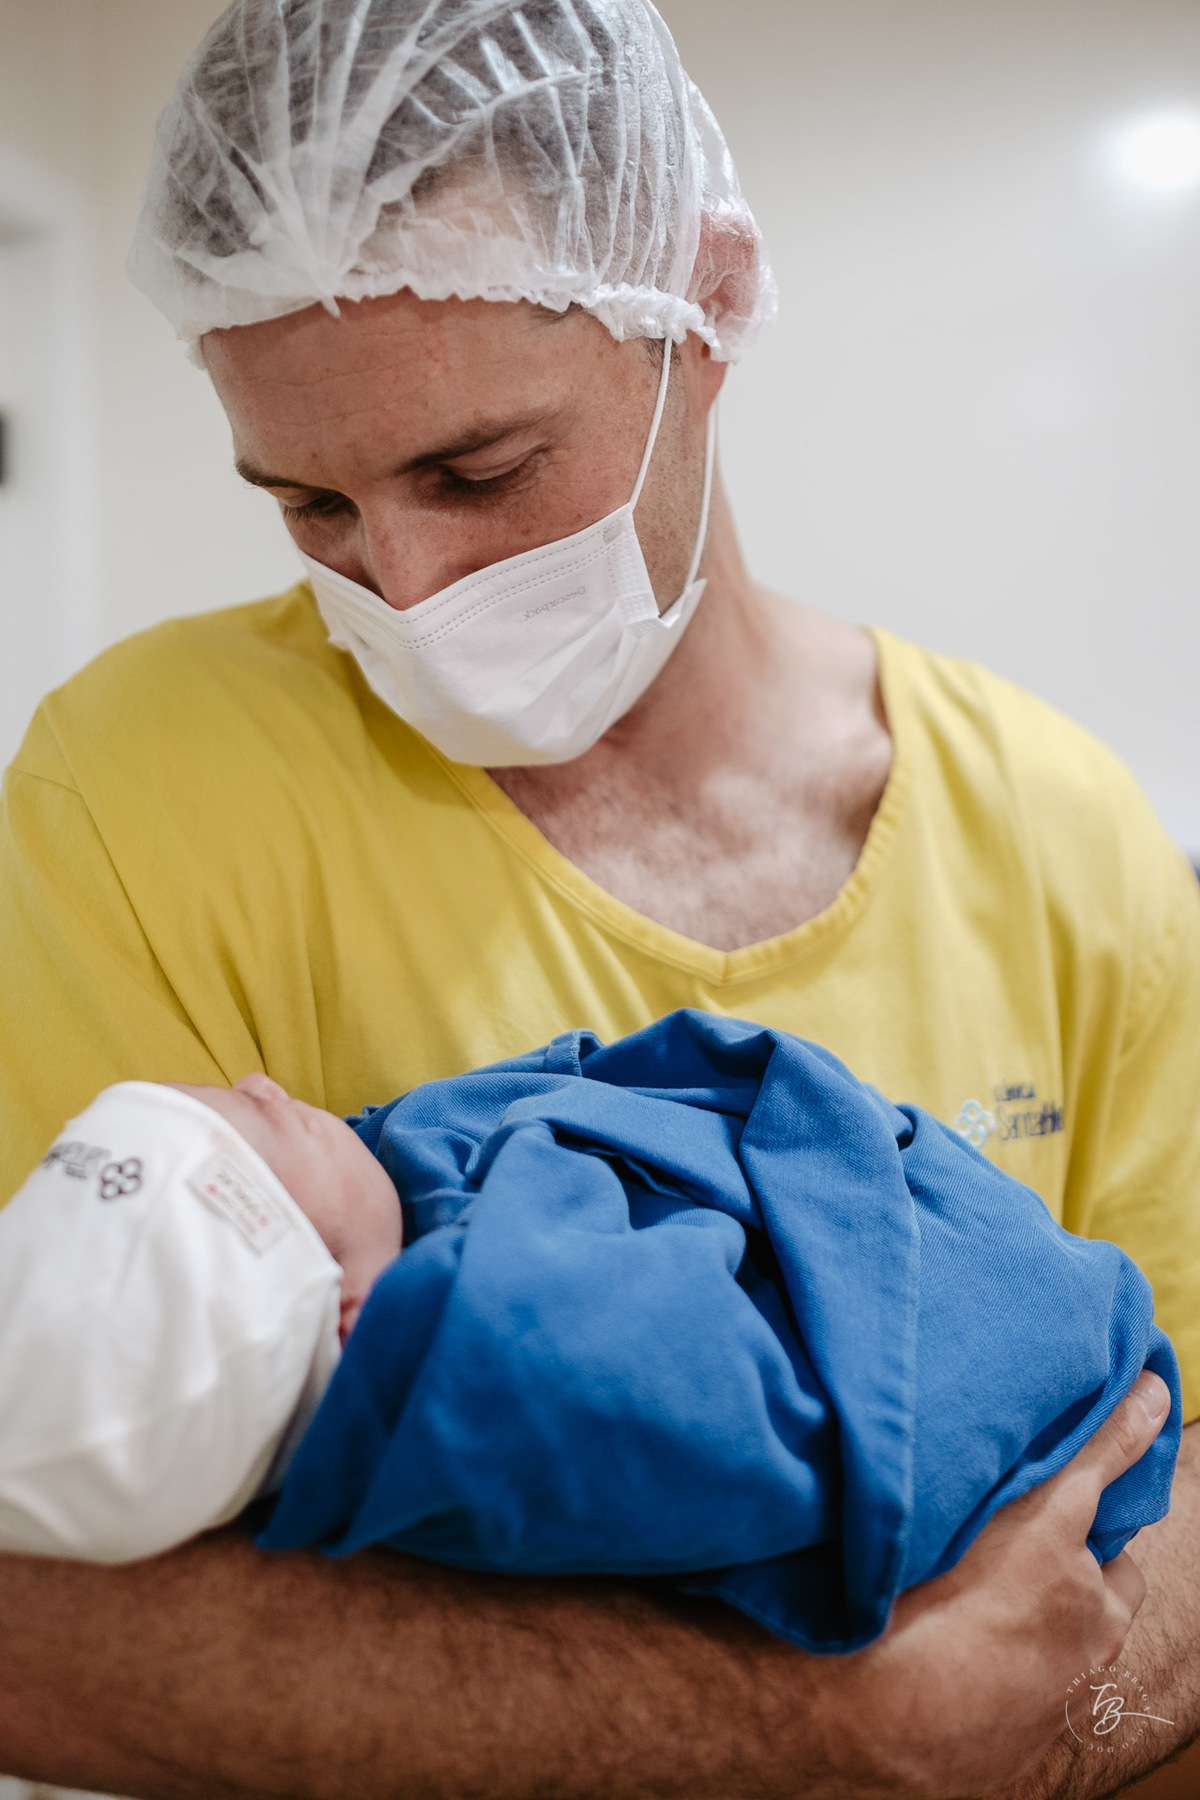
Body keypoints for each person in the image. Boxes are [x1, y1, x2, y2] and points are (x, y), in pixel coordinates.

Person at [0, 0, 1197, 1793]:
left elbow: (1174, 1477)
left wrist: (1066, 1737)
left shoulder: (1064, 835)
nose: (400, 582)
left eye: (476, 473)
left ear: (707, 305)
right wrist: (822, 1740)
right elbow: (37, 1614)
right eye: (309, 504)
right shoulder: (141, 791)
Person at [0, 1024, 1178, 1660]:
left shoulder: (408, 1191)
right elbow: (714, 1395)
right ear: (348, 1316)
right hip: (982, 1359)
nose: (264, 1082)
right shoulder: (510, 1354)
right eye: (263, 1127)